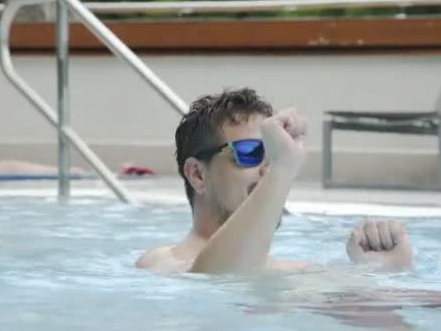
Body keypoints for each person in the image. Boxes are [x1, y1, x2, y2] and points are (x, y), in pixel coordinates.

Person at [135, 88, 413, 274]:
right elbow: (215, 281)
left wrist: (382, 272)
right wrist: (282, 168)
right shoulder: (162, 263)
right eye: (251, 152)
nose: (267, 168)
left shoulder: (297, 272)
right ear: (198, 175)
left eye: (275, 153)